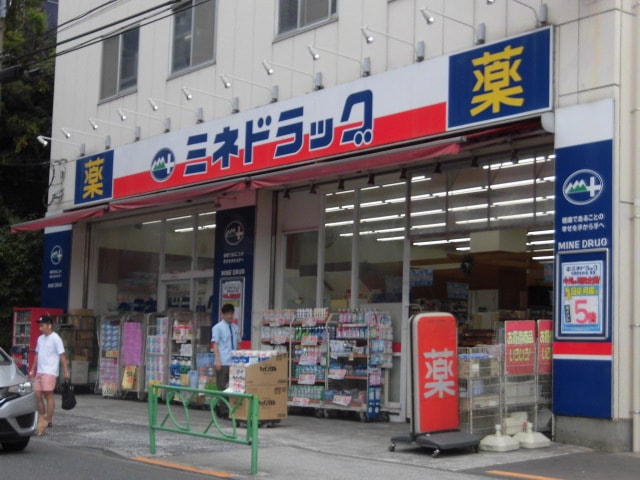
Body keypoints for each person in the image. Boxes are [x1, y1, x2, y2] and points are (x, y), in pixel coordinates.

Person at [29, 314, 70, 429]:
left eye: (42, 325)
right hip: (40, 371)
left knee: (48, 394)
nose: (40, 328)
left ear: (49, 325)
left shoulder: (56, 338)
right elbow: (37, 354)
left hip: (50, 371)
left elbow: (62, 355)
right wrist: (32, 368)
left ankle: (49, 420)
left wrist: (66, 370)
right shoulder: (40, 339)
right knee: (37, 395)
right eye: (40, 326)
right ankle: (42, 417)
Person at [211, 303, 239, 415]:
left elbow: (239, 343)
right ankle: (223, 410)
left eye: (231, 314)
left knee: (233, 386)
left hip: (234, 362)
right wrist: (217, 360)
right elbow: (215, 344)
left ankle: (231, 409)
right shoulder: (217, 327)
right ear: (223, 314)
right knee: (222, 387)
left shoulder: (235, 327)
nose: (230, 316)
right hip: (222, 361)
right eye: (227, 314)